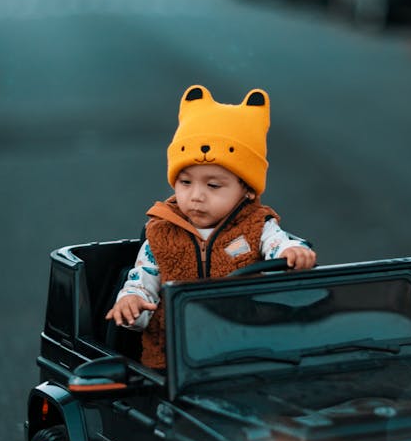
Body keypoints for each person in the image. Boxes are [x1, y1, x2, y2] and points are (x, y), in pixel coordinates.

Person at [106, 84, 316, 367]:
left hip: (249, 351)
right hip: (175, 361)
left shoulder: (256, 227)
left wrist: (293, 252)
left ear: (248, 190)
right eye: (185, 182)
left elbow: (279, 243)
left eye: (214, 185)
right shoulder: (162, 234)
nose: (196, 196)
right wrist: (131, 303)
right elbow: (143, 281)